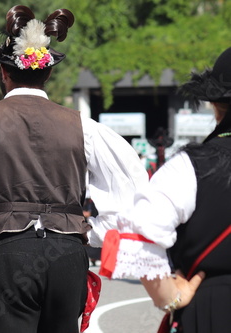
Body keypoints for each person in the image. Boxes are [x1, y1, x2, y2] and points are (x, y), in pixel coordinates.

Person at [0, 5, 148, 333]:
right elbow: (133, 190)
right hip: (66, 255)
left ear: (4, 72)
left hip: (9, 254)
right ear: (48, 73)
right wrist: (88, 230)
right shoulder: (84, 126)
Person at [98, 47, 231, 333]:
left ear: (216, 106)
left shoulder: (188, 166)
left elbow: (141, 232)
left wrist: (169, 297)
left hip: (213, 310)